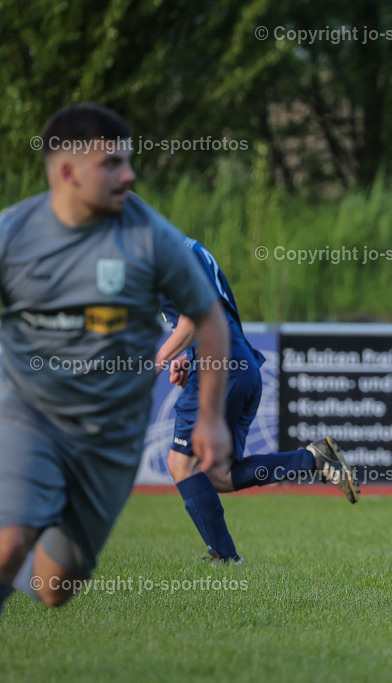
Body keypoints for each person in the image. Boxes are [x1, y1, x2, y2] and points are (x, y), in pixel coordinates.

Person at [0, 103, 233, 615]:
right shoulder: (14, 234)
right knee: (10, 539)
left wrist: (211, 417)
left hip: (110, 436)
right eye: (111, 163)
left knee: (54, 586)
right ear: (67, 171)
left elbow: (209, 319)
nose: (128, 174)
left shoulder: (152, 237)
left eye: (128, 161)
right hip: (28, 415)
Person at [156, 238, 359, 565]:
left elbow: (195, 318)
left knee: (183, 464)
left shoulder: (163, 255)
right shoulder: (182, 248)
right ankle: (313, 460)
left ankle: (226, 558)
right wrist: (185, 355)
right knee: (217, 475)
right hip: (240, 368)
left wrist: (159, 359)